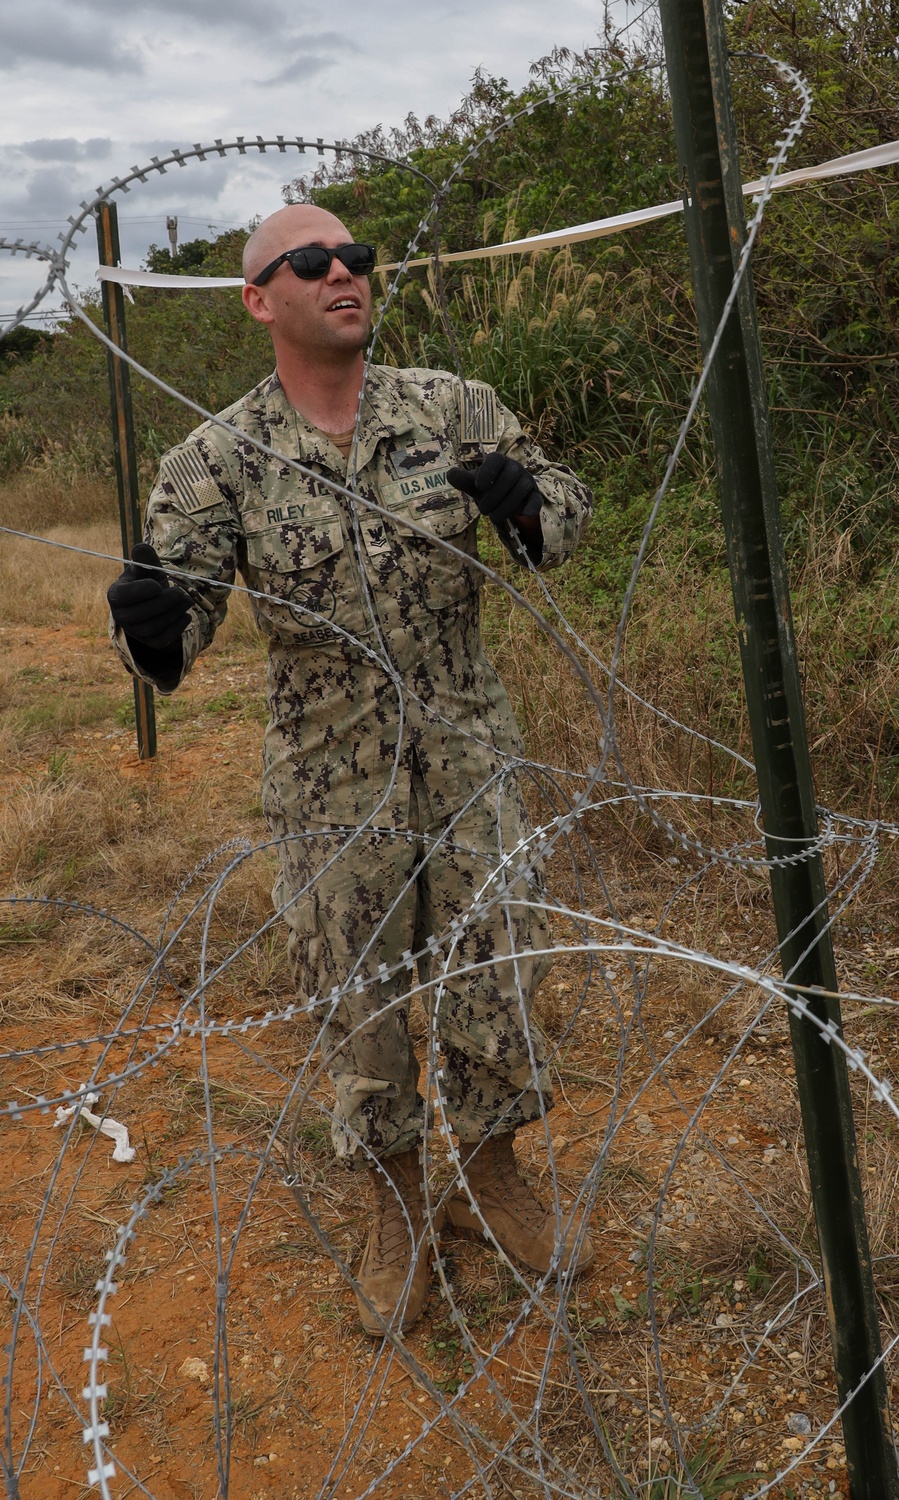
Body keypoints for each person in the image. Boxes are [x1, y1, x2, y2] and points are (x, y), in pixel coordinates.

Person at [106, 204, 595, 1335]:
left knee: (491, 971)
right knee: (363, 1004)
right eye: (312, 262)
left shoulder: (454, 407)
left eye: (357, 258)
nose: (345, 275)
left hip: (470, 747)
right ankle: (396, 1209)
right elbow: (176, 635)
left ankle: (495, 1174)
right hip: (329, 781)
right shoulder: (212, 461)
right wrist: (144, 631)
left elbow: (558, 510)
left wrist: (534, 509)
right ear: (259, 298)